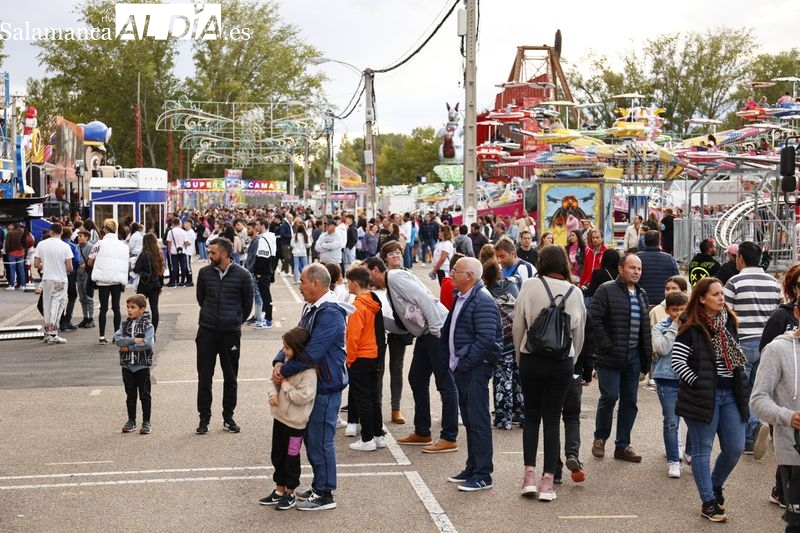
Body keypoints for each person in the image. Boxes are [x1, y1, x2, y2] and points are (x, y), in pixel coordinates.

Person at [272, 263, 352, 511]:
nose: (300, 285)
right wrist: (278, 359)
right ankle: (319, 485)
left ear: (316, 284)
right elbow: (296, 339)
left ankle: (326, 493)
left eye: (303, 281)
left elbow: (313, 352)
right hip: (314, 385)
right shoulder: (312, 308)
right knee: (310, 438)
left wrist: (283, 372)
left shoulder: (330, 313)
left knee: (321, 440)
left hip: (326, 386)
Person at [672, 277, 749, 523]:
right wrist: (698, 382)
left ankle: (714, 486)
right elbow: (677, 362)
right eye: (715, 294)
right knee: (702, 450)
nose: (721, 298)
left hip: (730, 395)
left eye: (722, 294)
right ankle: (708, 503)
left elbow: (736, 363)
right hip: (704, 396)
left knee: (735, 447)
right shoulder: (691, 325)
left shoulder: (729, 323)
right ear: (702, 298)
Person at [512, 245, 586, 501]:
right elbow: (579, 333)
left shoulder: (530, 285)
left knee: (531, 417)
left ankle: (528, 478)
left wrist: (521, 357)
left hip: (532, 358)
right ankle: (548, 482)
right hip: (561, 362)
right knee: (553, 420)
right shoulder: (575, 292)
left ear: (541, 262)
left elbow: (517, 324)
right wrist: (570, 360)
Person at [365, 256, 458, 453]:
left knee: (445, 383)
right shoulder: (390, 286)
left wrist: (436, 330)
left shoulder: (396, 278)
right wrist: (377, 317)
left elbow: (423, 299)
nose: (367, 281)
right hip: (425, 335)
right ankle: (422, 431)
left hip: (435, 332)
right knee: (416, 378)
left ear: (374, 270)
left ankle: (449, 437)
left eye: (366, 274)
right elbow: (402, 325)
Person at [443, 257, 502, 492]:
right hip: (463, 367)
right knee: (469, 419)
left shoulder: (482, 300)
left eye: (456, 270)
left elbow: (487, 339)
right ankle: (473, 465)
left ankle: (483, 474)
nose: (451, 273)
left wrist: (466, 362)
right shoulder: (463, 296)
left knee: (478, 421)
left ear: (469, 276)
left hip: (475, 368)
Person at [590, 254, 652, 463]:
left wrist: (646, 357)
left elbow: (645, 329)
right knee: (609, 396)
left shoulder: (642, 294)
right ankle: (600, 438)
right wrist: (606, 345)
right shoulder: (606, 290)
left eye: (639, 269)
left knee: (630, 401)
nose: (636, 272)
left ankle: (623, 445)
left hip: (633, 356)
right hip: (610, 356)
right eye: (632, 268)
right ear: (620, 269)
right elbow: (595, 321)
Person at [724, 241, 781, 456]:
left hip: (742, 343)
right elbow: (779, 313)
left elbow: (725, 315)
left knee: (741, 391)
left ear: (740, 258)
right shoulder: (773, 282)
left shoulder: (734, 282)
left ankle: (751, 432)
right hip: (768, 344)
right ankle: (751, 434)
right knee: (759, 391)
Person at [194, 237, 254, 435]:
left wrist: (235, 320)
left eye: (213, 253)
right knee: (205, 376)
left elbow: (247, 305)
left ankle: (228, 417)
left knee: (230, 376)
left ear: (225, 254)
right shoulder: (204, 273)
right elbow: (201, 299)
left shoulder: (243, 275)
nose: (209, 255)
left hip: (230, 333)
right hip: (207, 331)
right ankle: (204, 418)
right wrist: (212, 317)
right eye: (209, 252)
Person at [751, 297, 800, 532]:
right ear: (797, 313)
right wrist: (788, 416)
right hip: (794, 452)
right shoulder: (777, 349)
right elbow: (758, 399)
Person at [260, 327, 316, 511]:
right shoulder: (285, 362)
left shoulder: (308, 372)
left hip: (296, 425)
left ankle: (290, 492)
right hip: (280, 419)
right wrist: (272, 394)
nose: (283, 351)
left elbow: (302, 396)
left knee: (291, 457)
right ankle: (279, 490)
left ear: (298, 349)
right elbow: (272, 381)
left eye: (287, 348)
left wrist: (284, 385)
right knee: (277, 454)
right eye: (283, 347)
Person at [344, 266, 386, 451]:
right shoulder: (373, 300)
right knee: (373, 397)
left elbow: (353, 336)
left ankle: (367, 438)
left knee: (362, 398)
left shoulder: (358, 305)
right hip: (374, 353)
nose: (347, 285)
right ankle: (377, 435)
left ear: (354, 283)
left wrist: (350, 359)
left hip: (360, 355)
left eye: (348, 282)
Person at [651, 290, 690, 478]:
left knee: (695, 420)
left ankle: (689, 452)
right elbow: (663, 348)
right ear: (668, 311)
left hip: (688, 379)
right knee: (671, 420)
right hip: (667, 379)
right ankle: (674, 460)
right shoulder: (660, 328)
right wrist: (674, 327)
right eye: (675, 310)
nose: (679, 313)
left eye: (682, 309)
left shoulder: (693, 327)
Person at [482, 257, 522, 430]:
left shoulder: (487, 292)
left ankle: (503, 419)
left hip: (502, 344)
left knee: (502, 383)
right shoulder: (512, 284)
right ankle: (523, 415)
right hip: (519, 340)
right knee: (519, 381)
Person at [378, 240, 413, 425]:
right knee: (378, 369)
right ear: (385, 258)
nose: (396, 256)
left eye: (398, 252)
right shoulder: (380, 276)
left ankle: (395, 408)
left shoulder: (408, 275)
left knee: (397, 368)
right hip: (380, 327)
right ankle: (376, 406)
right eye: (391, 254)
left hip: (399, 328)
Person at [113, 294, 155, 434]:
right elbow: (118, 339)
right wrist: (134, 340)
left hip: (142, 365)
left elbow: (147, 343)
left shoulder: (148, 326)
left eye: (133, 307)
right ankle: (131, 421)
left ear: (142, 309)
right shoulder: (125, 325)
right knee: (130, 395)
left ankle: (146, 422)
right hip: (127, 366)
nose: (129, 310)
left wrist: (129, 347)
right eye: (128, 307)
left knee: (144, 395)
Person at [89, 219, 129, 345]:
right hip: (117, 280)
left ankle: (102, 336)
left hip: (103, 280)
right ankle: (117, 335)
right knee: (116, 308)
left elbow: (90, 261)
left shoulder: (99, 244)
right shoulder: (123, 246)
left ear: (105, 229)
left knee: (103, 308)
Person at [33, 223, 74, 345]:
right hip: (60, 279)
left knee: (47, 306)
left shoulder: (41, 244)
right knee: (57, 306)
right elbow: (69, 267)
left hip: (47, 279)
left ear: (51, 232)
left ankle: (47, 333)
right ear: (61, 232)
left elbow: (36, 264)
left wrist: (46, 266)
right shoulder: (65, 246)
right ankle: (53, 333)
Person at [636, 230, 679, 305]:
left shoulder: (636, 258)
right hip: (664, 302)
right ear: (659, 242)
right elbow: (677, 279)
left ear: (644, 242)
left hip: (641, 301)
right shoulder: (669, 259)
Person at [133, 233, 165, 334]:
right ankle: (153, 332)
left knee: (138, 306)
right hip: (155, 283)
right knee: (154, 308)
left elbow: (136, 269)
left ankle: (140, 328)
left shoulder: (143, 254)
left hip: (144, 283)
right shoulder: (158, 253)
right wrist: (160, 285)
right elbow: (161, 270)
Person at [253, 217, 276, 329]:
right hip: (269, 269)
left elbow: (262, 257)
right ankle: (266, 318)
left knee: (265, 296)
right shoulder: (271, 237)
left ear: (262, 225)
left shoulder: (263, 239)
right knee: (266, 295)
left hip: (264, 271)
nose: (256, 227)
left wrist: (258, 273)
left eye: (257, 225)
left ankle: (268, 320)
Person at [75, 230, 95, 328]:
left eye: (81, 236)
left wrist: (87, 265)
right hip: (79, 275)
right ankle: (85, 317)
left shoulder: (91, 247)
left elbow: (94, 260)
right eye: (78, 236)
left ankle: (91, 318)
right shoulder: (77, 247)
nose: (79, 237)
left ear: (87, 237)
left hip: (87, 275)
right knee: (82, 298)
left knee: (89, 297)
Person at [165, 217, 189, 288]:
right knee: (183, 267)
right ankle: (182, 282)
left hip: (173, 251)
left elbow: (169, 242)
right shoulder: (184, 232)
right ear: (179, 223)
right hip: (182, 251)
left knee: (174, 267)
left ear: (173, 223)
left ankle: (174, 282)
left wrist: (169, 251)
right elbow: (186, 242)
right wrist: (185, 248)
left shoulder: (170, 232)